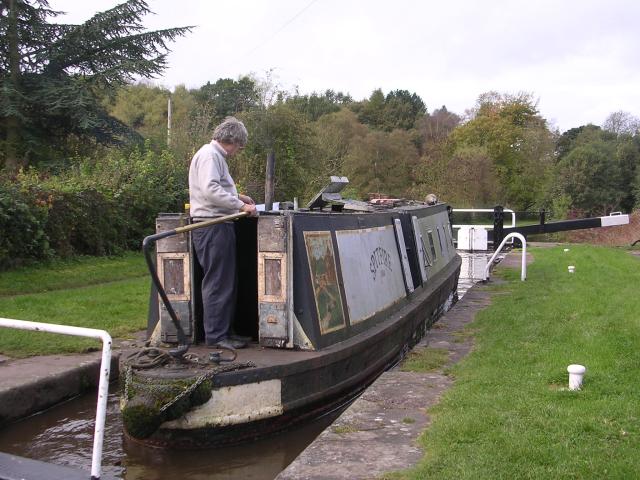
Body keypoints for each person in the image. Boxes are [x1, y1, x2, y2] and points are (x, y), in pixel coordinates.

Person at [188, 117, 257, 349]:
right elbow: (210, 190)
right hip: (213, 226)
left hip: (217, 224)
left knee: (225, 280)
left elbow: (215, 188)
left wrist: (240, 197)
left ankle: (225, 332)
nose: (239, 151)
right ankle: (217, 337)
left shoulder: (213, 155)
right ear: (233, 140)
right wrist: (240, 206)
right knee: (218, 282)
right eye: (240, 146)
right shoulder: (211, 155)